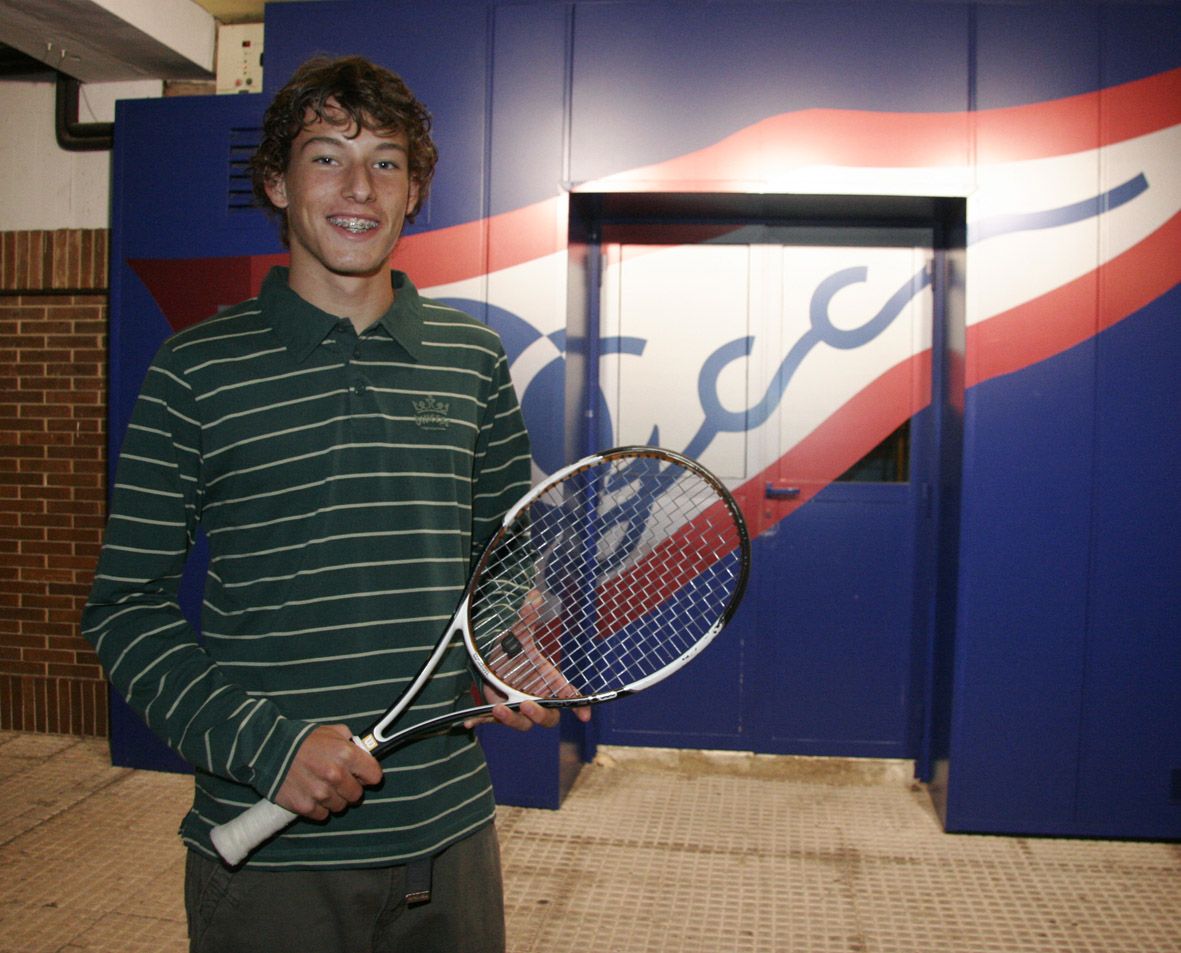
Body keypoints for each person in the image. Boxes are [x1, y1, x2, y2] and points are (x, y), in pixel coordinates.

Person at [83, 54, 586, 953]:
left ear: (413, 187)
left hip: (451, 840)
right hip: (270, 860)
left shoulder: (470, 363)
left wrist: (507, 634)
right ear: (276, 181)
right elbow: (125, 609)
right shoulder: (194, 371)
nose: (359, 186)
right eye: (327, 156)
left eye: (386, 161)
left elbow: (503, 552)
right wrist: (267, 747)